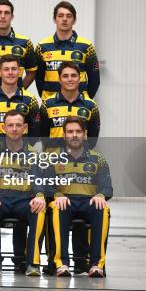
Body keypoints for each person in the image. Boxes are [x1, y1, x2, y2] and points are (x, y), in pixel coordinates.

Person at [0, 110, 47, 277]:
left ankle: (33, 263)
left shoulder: (33, 153)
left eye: (18, 125)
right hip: (0, 199)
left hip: (24, 201)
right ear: (3, 128)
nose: (14, 129)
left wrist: (39, 197)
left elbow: (38, 181)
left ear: (25, 128)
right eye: (10, 125)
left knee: (39, 210)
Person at [48, 117, 112, 278]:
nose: (74, 135)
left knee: (102, 208)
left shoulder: (99, 158)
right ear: (64, 135)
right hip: (64, 201)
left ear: (84, 134)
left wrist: (101, 194)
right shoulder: (52, 158)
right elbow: (43, 185)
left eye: (78, 131)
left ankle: (97, 265)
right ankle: (61, 264)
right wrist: (56, 195)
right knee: (57, 208)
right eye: (70, 132)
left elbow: (107, 186)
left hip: (88, 201)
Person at [35, 1, 100, 100]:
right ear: (54, 19)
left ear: (74, 20)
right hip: (50, 109)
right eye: (60, 16)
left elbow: (95, 80)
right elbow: (38, 78)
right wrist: (48, 101)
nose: (64, 19)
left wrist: (84, 101)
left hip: (79, 108)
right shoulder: (42, 47)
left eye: (69, 16)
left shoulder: (87, 47)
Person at [39, 61, 100, 149]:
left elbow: (92, 141)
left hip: (80, 160)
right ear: (59, 80)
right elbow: (43, 137)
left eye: (74, 75)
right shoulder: (47, 105)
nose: (70, 79)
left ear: (79, 79)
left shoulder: (91, 106)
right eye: (65, 76)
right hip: (54, 159)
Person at [0, 54, 39, 138]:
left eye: (14, 69)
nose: (10, 73)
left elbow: (35, 131)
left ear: (19, 71)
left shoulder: (30, 100)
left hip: (21, 150)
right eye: (6, 69)